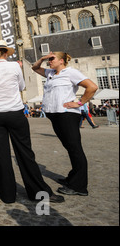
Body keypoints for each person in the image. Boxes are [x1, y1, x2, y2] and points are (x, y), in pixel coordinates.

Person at [0, 40, 64, 204]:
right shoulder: (15, 67)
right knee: (25, 153)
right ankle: (38, 192)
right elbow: (22, 86)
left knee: (0, 155)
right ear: (6, 53)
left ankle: (8, 196)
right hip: (15, 113)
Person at [32, 52, 98, 196]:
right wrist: (42, 58)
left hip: (67, 115)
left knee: (75, 149)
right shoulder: (51, 73)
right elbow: (35, 68)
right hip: (55, 115)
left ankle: (79, 187)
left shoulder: (71, 72)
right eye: (48, 59)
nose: (49, 61)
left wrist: (79, 103)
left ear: (61, 61)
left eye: (52, 59)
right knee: (70, 147)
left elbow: (92, 87)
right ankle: (73, 178)